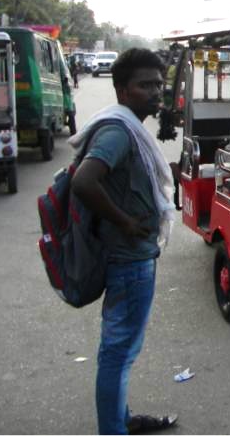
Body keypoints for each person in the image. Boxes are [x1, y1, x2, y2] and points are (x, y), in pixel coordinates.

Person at [69, 49, 179, 435]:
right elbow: (85, 181)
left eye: (158, 84)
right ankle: (114, 429)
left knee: (120, 351)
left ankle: (120, 418)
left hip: (132, 254)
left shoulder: (129, 126)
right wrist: (127, 222)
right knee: (118, 352)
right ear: (121, 89)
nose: (155, 92)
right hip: (128, 257)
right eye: (145, 85)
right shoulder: (118, 130)